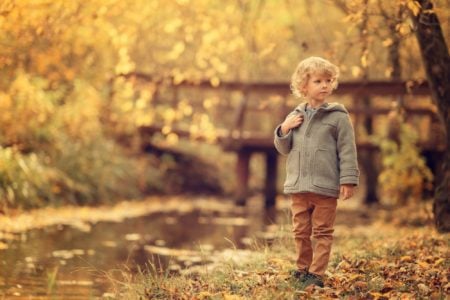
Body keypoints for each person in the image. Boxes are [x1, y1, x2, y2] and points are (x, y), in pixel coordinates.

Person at [273, 56, 359, 288]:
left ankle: (316, 274)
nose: (325, 85)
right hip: (299, 187)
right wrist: (283, 128)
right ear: (304, 86)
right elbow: (284, 148)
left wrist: (348, 180)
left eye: (329, 80)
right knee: (300, 231)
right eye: (318, 81)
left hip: (325, 187)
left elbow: (347, 149)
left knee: (322, 231)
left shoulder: (338, 117)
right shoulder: (295, 115)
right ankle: (302, 269)